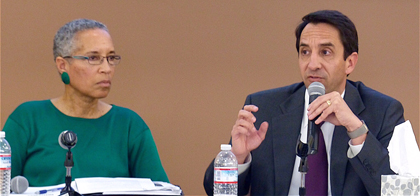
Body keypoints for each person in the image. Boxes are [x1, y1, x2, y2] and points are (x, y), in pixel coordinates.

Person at [204, 10, 404, 195]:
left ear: (350, 63)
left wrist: (357, 130)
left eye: (325, 52)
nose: (312, 64)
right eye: (305, 52)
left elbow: (401, 192)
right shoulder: (263, 108)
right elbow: (214, 192)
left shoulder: (384, 112)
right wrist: (237, 159)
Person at [3, 19, 169, 186]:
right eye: (93, 58)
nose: (106, 68)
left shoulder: (129, 126)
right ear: (63, 65)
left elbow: (161, 190)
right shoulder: (27, 119)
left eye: (111, 58)